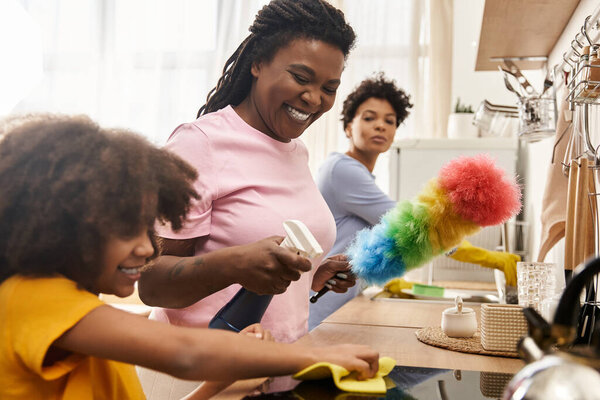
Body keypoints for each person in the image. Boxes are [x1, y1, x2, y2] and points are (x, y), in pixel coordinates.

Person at [0, 115, 380, 400]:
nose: (148, 248)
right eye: (124, 230)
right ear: (61, 224)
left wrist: (221, 378)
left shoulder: (74, 311)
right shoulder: (32, 300)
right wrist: (306, 359)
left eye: (145, 229)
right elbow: (183, 354)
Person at [138, 0, 358, 344]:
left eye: (329, 88)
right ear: (257, 62)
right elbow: (151, 284)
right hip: (200, 375)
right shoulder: (200, 143)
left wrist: (312, 276)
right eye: (301, 77)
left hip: (276, 366)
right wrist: (235, 263)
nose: (315, 98)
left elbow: (258, 270)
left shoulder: (296, 151)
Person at [309, 73, 413, 329]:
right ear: (348, 127)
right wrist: (478, 255)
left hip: (336, 309)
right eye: (369, 118)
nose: (381, 126)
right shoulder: (342, 170)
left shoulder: (356, 175)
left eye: (390, 121)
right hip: (318, 311)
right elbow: (406, 224)